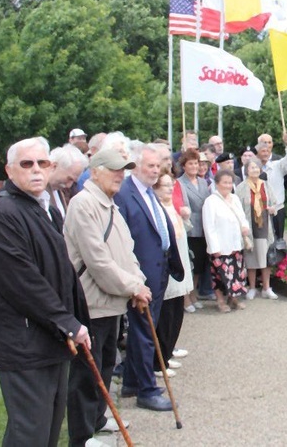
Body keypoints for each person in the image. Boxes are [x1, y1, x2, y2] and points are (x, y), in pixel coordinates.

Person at [0, 137, 91, 446]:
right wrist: (68, 323)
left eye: (43, 163)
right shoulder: (2, 214)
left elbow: (62, 274)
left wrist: (75, 321)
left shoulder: (45, 209)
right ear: (10, 170)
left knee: (49, 428)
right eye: (27, 164)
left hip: (49, 338)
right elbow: (23, 283)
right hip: (22, 343)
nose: (36, 170)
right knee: (30, 432)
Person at [64, 149, 150, 446]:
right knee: (87, 375)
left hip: (111, 302)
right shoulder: (84, 204)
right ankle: (81, 436)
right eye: (114, 169)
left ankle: (98, 420)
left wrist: (138, 283)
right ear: (95, 170)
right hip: (91, 304)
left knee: (104, 365)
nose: (120, 175)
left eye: (123, 170)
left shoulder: (110, 205)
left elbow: (126, 254)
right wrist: (132, 287)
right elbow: (98, 262)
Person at [114, 144, 184, 411]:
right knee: (145, 331)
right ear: (135, 166)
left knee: (146, 328)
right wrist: (133, 278)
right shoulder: (125, 194)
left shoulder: (147, 192)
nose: (155, 171)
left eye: (158, 166)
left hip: (159, 269)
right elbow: (122, 240)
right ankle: (147, 389)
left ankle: (132, 380)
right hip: (140, 273)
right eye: (150, 166)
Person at [152, 170, 193, 375]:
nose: (170, 188)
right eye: (165, 185)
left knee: (176, 313)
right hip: (166, 268)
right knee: (166, 316)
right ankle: (159, 362)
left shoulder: (172, 206)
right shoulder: (157, 209)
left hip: (180, 264)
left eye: (171, 185)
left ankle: (167, 353)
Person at [203, 169, 250, 312]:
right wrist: (214, 247)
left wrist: (245, 227)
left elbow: (242, 217)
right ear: (217, 184)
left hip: (235, 243)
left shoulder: (234, 198)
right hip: (220, 245)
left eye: (230, 182)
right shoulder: (211, 201)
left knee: (236, 274)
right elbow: (208, 226)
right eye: (225, 182)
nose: (228, 185)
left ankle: (234, 299)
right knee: (219, 275)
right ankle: (220, 301)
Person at [235, 157, 279, 300]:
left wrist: (273, 208)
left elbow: (275, 203)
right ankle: (252, 287)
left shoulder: (265, 185)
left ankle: (266, 287)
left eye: (257, 167)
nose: (255, 169)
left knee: (265, 257)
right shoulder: (241, 187)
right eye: (251, 167)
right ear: (246, 170)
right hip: (250, 226)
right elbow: (237, 208)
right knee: (251, 257)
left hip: (265, 226)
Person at [177, 148, 212, 311]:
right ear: (184, 166)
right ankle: (185, 299)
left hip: (204, 228)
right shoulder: (180, 183)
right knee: (188, 265)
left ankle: (193, 294)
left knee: (198, 265)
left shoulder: (203, 182)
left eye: (196, 163)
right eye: (190, 163)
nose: (194, 166)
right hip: (190, 228)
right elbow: (184, 205)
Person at [258, 131, 287, 239]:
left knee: (278, 242)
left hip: (277, 209)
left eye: (269, 142)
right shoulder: (253, 167)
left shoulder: (278, 165)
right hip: (258, 210)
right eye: (264, 143)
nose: (266, 146)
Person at [48, 143, 89, 217]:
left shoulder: (59, 191)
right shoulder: (36, 192)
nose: (69, 185)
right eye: (69, 179)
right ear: (54, 166)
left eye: (73, 182)